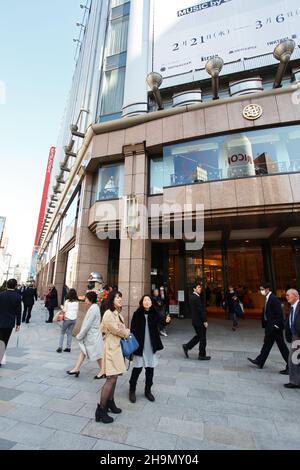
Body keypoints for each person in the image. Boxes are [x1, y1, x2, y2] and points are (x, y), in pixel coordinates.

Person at [95, 291, 130, 424]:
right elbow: (118, 330)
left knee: (115, 377)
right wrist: (126, 332)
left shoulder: (118, 314)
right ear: (111, 299)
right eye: (117, 297)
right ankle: (101, 410)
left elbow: (121, 328)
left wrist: (123, 330)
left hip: (117, 347)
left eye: (121, 297)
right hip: (110, 348)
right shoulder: (108, 314)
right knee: (110, 379)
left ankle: (110, 403)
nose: (120, 299)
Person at [129, 295, 170, 403]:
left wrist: (167, 321)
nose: (147, 302)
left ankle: (148, 391)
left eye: (149, 300)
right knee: (137, 369)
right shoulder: (137, 314)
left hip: (150, 346)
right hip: (140, 346)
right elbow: (132, 329)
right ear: (142, 302)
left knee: (150, 369)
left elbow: (162, 321)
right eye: (145, 300)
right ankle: (132, 390)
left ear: (151, 303)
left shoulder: (155, 313)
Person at [247, 282, 289, 372]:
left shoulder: (273, 299)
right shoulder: (267, 298)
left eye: (262, 289)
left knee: (282, 347)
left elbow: (279, 313)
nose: (261, 291)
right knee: (267, 344)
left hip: (275, 328)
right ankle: (260, 361)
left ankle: (291, 366)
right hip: (270, 327)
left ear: (267, 289)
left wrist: (275, 325)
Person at [67, 291, 103, 378]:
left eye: (86, 298)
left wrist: (80, 335)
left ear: (90, 299)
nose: (85, 300)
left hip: (92, 335)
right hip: (91, 335)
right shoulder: (94, 307)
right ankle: (76, 369)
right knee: (84, 351)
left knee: (97, 355)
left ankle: (103, 371)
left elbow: (87, 325)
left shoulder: (93, 309)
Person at [182, 283, 211, 360]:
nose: (200, 288)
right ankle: (201, 355)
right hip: (199, 322)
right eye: (198, 287)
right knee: (203, 338)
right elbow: (200, 310)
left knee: (199, 336)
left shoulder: (191, 297)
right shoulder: (196, 298)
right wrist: (205, 321)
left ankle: (187, 346)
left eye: (200, 287)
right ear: (194, 289)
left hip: (195, 321)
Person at [0, 279, 21, 366]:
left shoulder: (1, 295)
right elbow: (19, 311)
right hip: (9, 323)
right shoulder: (17, 297)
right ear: (15, 286)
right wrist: (18, 324)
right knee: (4, 341)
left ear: (7, 285)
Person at [284, 289, 300, 389]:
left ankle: (294, 382)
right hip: (295, 336)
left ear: (295, 295)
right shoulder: (292, 307)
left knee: (293, 359)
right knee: (295, 359)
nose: (286, 297)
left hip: (298, 336)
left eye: (288, 295)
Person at [57, 289, 79, 353]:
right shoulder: (77, 302)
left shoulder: (67, 301)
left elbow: (64, 310)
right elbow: (77, 311)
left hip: (67, 319)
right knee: (69, 333)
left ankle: (60, 347)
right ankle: (68, 348)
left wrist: (62, 307)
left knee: (62, 333)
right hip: (74, 319)